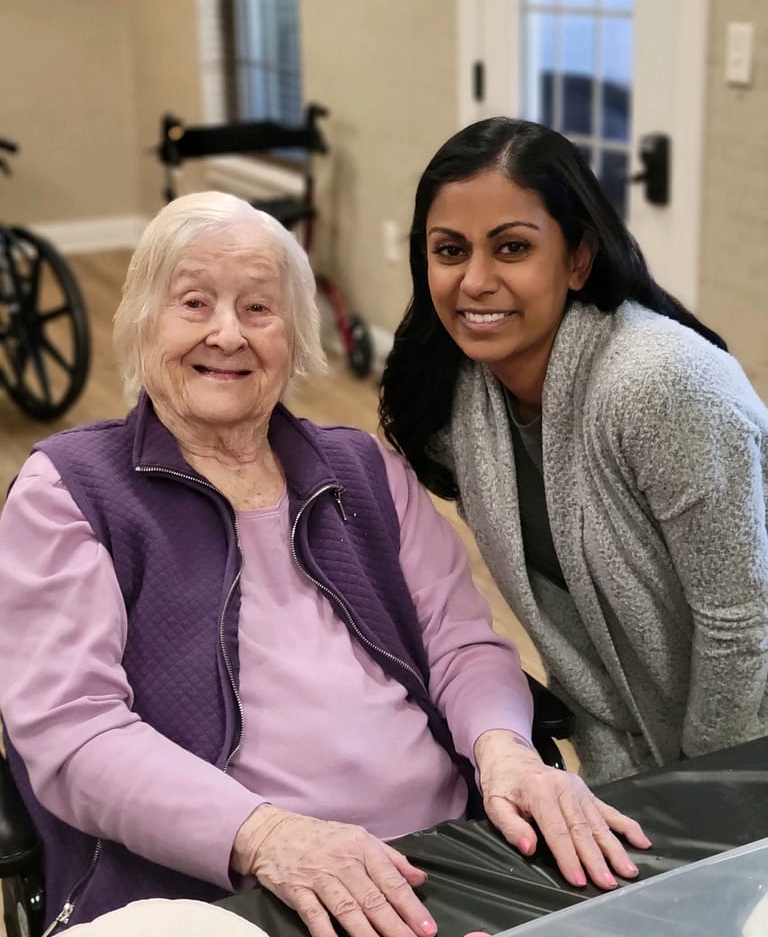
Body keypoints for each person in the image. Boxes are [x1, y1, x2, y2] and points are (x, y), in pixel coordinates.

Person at [0, 192, 648, 936]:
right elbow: (75, 730)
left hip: (445, 855)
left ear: (296, 336)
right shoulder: (75, 492)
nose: (227, 334)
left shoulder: (361, 469)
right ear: (143, 322)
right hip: (228, 892)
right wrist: (267, 836)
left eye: (258, 308)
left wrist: (505, 753)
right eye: (194, 303)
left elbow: (462, 644)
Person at [380, 117, 768, 786]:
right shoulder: (458, 401)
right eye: (450, 250)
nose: (475, 280)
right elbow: (578, 637)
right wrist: (619, 782)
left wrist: (705, 795)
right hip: (641, 767)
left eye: (512, 248)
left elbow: (743, 623)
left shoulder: (660, 384)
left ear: (578, 258)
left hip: (738, 755)